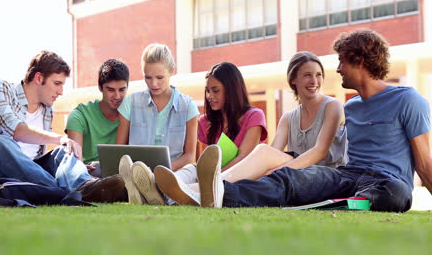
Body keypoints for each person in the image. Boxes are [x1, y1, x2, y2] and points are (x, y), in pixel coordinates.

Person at [157, 29, 432, 212]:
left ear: (360, 60)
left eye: (342, 62)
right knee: (292, 179)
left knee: (390, 195)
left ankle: (335, 205)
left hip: (387, 182)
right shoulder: (354, 107)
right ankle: (215, 195)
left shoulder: (408, 100)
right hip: (348, 176)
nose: (337, 69)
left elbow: (424, 161)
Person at [155, 51, 347, 205]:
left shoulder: (333, 106)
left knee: (262, 160)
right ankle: (173, 190)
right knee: (262, 153)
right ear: (293, 80)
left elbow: (320, 152)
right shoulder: (288, 118)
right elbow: (271, 153)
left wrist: (278, 171)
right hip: (297, 173)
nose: (314, 81)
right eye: (307, 75)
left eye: (318, 75)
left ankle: (202, 188)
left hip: (328, 174)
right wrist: (270, 170)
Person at [0, 51, 127, 203]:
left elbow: (33, 162)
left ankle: (84, 185)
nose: (61, 91)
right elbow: (18, 131)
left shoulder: (47, 109)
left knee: (62, 151)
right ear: (39, 78)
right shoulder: (0, 89)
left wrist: (73, 168)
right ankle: (63, 192)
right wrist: (60, 138)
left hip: (22, 177)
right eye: (57, 83)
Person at [116, 43, 200, 205]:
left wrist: (159, 172)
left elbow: (189, 156)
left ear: (172, 71)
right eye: (148, 77)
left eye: (160, 77)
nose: (153, 84)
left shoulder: (188, 106)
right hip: (137, 170)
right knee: (132, 172)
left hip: (175, 172)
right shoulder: (130, 103)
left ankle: (147, 190)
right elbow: (119, 151)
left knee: (190, 171)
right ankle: (155, 192)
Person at [66, 59, 129, 177]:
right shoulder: (79, 115)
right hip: (88, 177)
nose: (117, 96)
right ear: (100, 87)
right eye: (110, 90)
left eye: (122, 90)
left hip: (120, 176)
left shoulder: (132, 115)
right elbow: (75, 164)